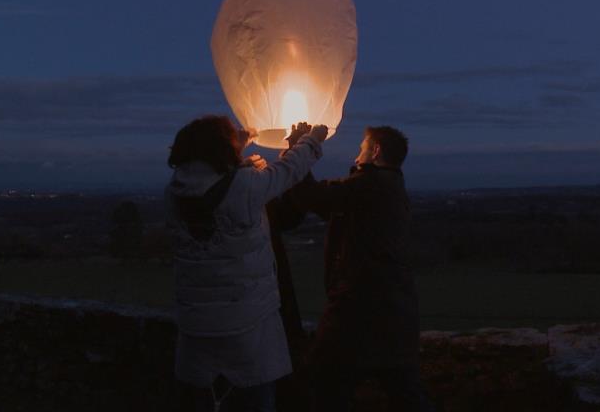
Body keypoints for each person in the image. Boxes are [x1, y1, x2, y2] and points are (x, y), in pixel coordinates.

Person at [165, 115, 327, 412]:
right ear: (220, 149)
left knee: (202, 399)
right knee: (254, 398)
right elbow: (288, 170)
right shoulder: (245, 186)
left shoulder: (175, 190)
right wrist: (312, 140)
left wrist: (237, 146)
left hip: (195, 326)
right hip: (245, 325)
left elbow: (214, 181)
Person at [285, 125, 426, 412]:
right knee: (404, 393)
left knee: (325, 383)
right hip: (393, 313)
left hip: (359, 311)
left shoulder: (370, 185)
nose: (357, 153)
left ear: (375, 152)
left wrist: (297, 148)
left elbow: (315, 197)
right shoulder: (388, 187)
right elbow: (328, 205)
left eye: (362, 147)